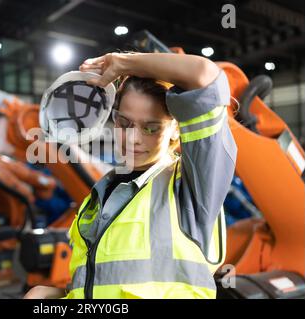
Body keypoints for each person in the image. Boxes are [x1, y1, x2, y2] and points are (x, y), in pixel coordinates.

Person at [24, 51, 237, 299]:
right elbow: (106, 283)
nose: (133, 139)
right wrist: (55, 295)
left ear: (175, 130)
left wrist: (123, 62)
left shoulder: (191, 187)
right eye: (124, 124)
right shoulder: (99, 197)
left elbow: (205, 76)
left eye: (150, 128)